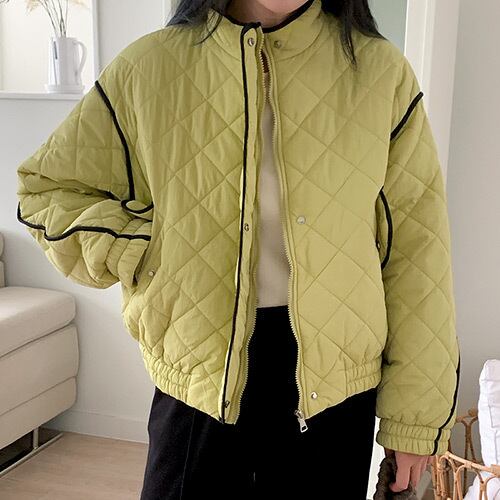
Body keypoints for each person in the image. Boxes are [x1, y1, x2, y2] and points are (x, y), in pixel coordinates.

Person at [16, 0, 461, 498]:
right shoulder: (150, 66)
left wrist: (414, 421)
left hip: (334, 389)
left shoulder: (380, 72)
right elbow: (46, 191)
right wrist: (142, 248)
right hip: (198, 377)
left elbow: (418, 253)